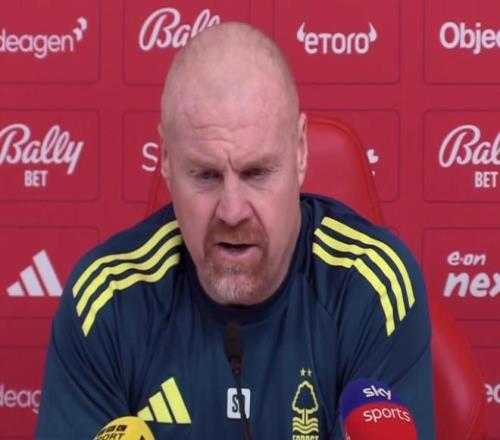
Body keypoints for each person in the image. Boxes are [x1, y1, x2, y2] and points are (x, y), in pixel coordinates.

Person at [36, 22, 435, 439]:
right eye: (206, 175)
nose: (231, 211)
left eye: (257, 173)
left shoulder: (372, 287)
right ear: (167, 160)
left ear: (300, 152)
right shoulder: (107, 299)